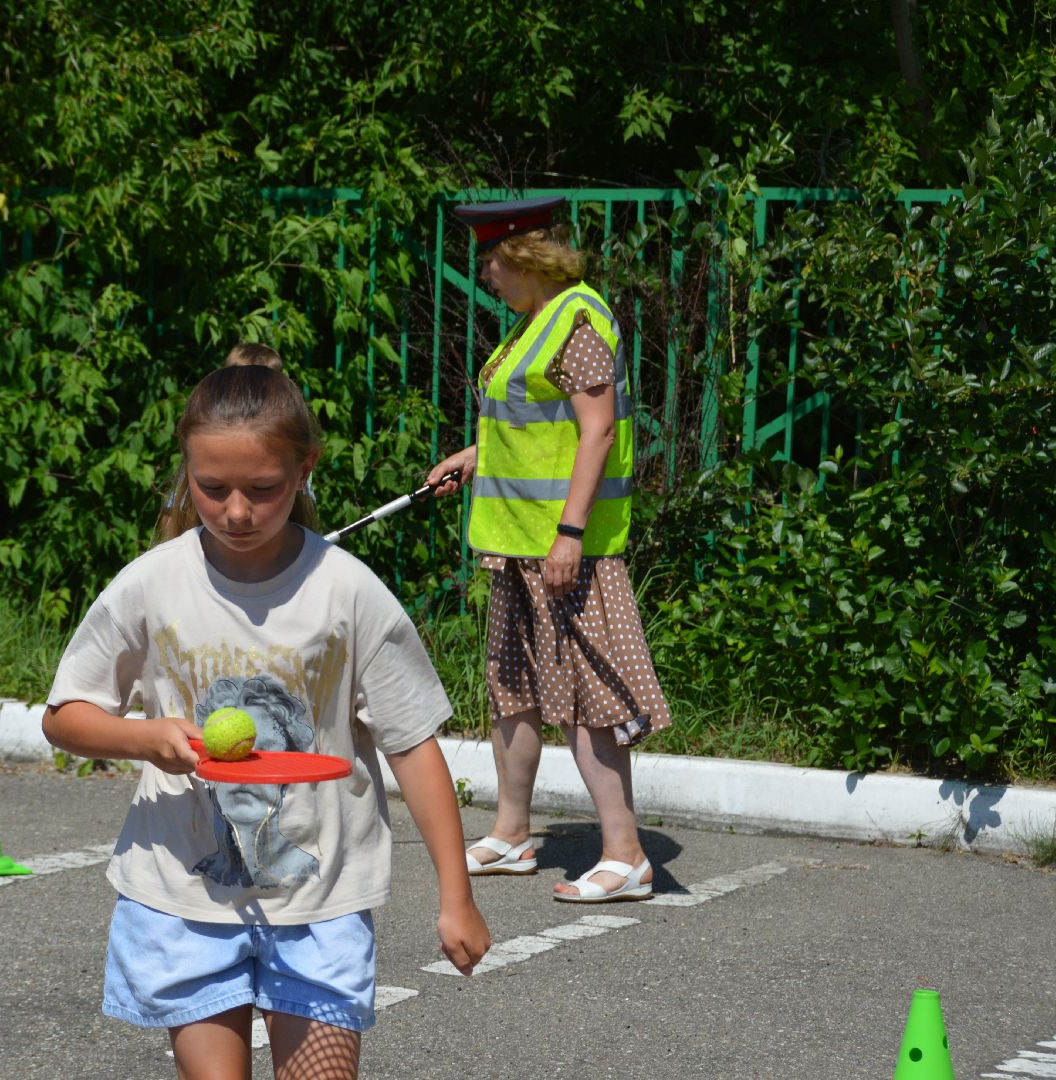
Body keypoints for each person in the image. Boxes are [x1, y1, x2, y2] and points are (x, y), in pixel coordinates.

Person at [45, 365, 489, 1079]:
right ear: (187, 469)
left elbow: (412, 745)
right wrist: (144, 738)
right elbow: (65, 715)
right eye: (212, 488)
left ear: (305, 467)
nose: (236, 512)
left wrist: (456, 896)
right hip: (185, 899)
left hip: (321, 902)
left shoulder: (346, 589)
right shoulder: (153, 581)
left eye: (263, 489)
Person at [427, 196, 672, 903]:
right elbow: (537, 423)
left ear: (525, 260)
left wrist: (570, 533)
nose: (489, 277)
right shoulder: (534, 325)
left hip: (566, 550)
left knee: (591, 700)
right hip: (514, 544)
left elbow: (596, 432)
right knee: (515, 693)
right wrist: (478, 455)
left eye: (493, 264)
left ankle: (626, 855)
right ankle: (510, 837)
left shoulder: (578, 320)